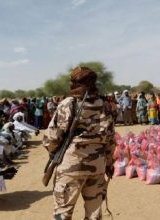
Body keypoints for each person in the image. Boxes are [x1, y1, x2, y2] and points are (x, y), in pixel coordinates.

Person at [43, 66, 115, 220]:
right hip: (97, 166)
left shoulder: (68, 103)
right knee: (94, 214)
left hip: (71, 166)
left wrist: (54, 153)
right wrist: (108, 162)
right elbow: (110, 139)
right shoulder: (105, 104)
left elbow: (51, 138)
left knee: (63, 213)